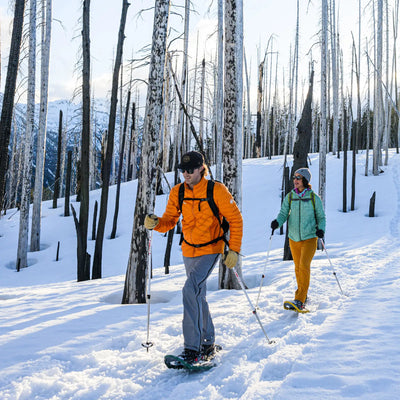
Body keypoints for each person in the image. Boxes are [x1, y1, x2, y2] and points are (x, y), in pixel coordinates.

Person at [144, 151, 243, 364]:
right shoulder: (178, 192)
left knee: (189, 289)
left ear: (201, 169)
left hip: (211, 248)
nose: (185, 174)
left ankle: (193, 349)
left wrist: (233, 250)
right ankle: (208, 341)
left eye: (190, 170)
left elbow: (235, 219)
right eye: (182, 170)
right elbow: (170, 220)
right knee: (197, 295)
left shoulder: (216, 190)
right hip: (189, 250)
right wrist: (156, 223)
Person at [270, 167, 326, 311]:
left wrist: (321, 230)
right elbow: (283, 213)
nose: (295, 180)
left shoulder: (314, 198)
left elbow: (321, 217)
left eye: (298, 178)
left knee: (304, 266)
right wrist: (277, 222)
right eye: (294, 177)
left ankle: (300, 299)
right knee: (297, 268)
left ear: (305, 180)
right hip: (293, 238)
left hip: (309, 238)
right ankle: (303, 295)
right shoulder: (290, 196)